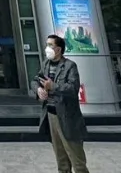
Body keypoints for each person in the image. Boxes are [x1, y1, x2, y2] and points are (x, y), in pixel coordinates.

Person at [35, 34, 88, 173]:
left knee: (76, 158)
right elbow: (36, 80)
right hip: (51, 115)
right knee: (61, 158)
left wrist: (53, 86)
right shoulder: (45, 64)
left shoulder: (70, 66)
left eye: (50, 45)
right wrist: (39, 89)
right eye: (47, 44)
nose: (47, 48)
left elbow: (73, 88)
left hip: (67, 117)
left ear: (58, 49)